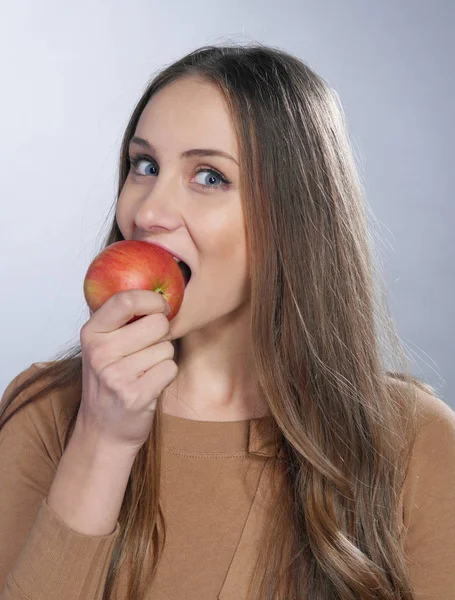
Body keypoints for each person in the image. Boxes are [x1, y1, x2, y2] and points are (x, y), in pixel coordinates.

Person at [0, 43, 454, 600]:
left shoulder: (416, 443)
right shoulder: (44, 411)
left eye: (210, 176)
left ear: (293, 219)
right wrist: (102, 438)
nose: (146, 212)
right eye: (145, 166)